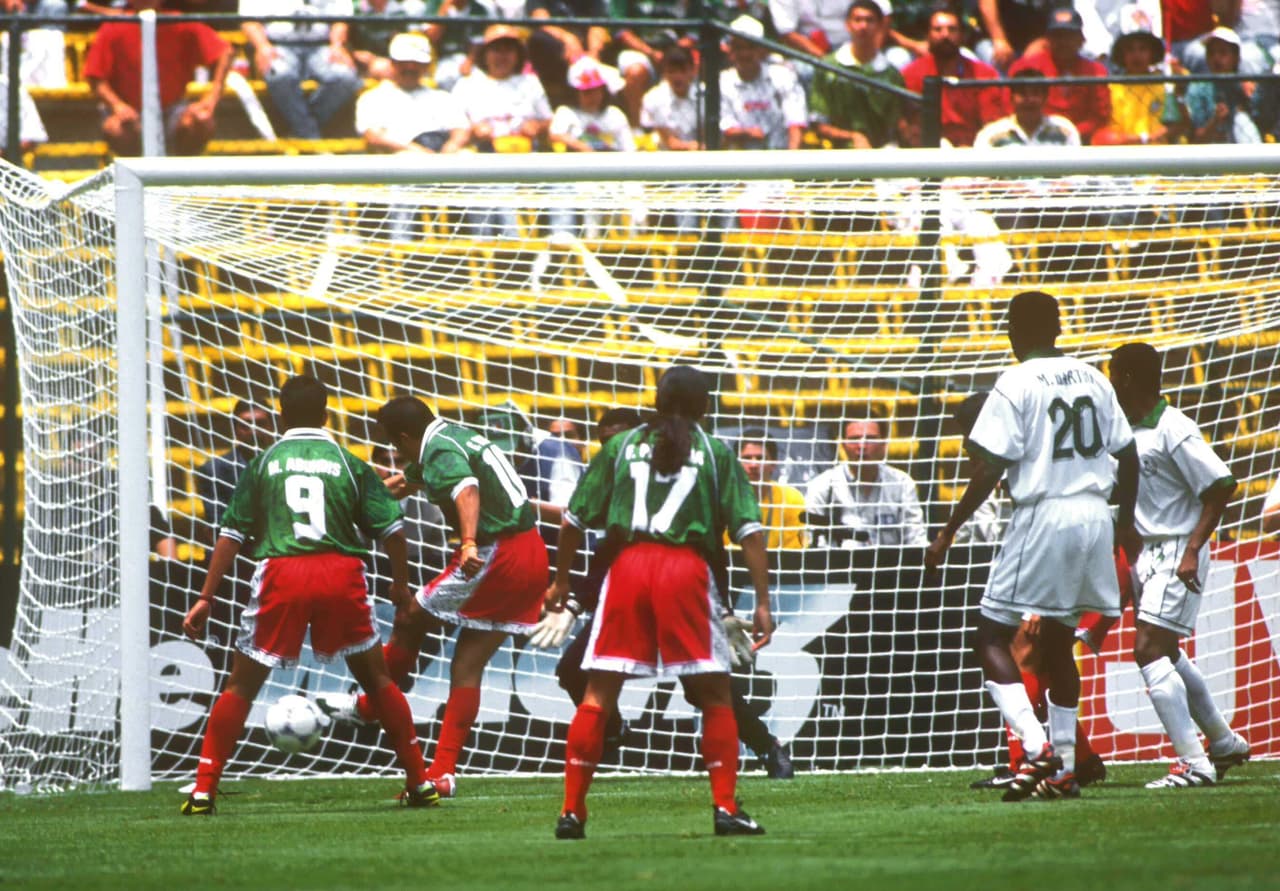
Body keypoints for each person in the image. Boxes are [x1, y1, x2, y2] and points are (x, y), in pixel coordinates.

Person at [179, 375, 436, 815]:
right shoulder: (348, 461)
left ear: (280, 416)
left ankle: (203, 790)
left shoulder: (263, 462)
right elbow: (394, 531)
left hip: (283, 572)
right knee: (377, 679)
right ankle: (420, 781)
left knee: (242, 684)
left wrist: (206, 596)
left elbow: (230, 536)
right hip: (341, 572)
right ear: (327, 415)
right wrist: (399, 585)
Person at [925, 290, 1139, 801]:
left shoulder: (1015, 381)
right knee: (1059, 643)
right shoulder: (1094, 377)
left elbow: (990, 466)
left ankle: (1037, 745)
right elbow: (1128, 457)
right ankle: (1064, 768)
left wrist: (949, 528)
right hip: (1095, 516)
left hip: (1044, 513)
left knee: (990, 636)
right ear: (1059, 328)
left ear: (1012, 331)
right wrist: (1125, 527)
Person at [544, 365, 775, 839]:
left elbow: (572, 520)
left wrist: (562, 581)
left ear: (656, 399)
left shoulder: (620, 446)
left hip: (627, 568)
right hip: (685, 571)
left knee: (598, 694)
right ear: (705, 406)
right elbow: (749, 532)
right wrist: (762, 601)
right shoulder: (715, 451)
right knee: (713, 695)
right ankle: (725, 808)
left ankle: (572, 812)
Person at [320, 395, 549, 800]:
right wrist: (355, 507)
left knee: (409, 617)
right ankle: (442, 772)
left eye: (394, 445)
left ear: (405, 437)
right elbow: (404, 483)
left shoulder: (440, 450)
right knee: (466, 664)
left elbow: (466, 489)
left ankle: (371, 706)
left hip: (498, 554)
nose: (396, 453)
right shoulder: (449, 436)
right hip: (530, 552)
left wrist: (469, 542)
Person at [1109, 341, 1251, 788]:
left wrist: (1192, 549)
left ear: (1128, 378)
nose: (1111, 381)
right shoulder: (1126, 429)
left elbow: (1221, 484)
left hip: (1176, 547)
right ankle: (1223, 742)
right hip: (1148, 551)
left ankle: (1194, 762)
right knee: (1166, 651)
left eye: (1114, 373)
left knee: (1147, 649)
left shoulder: (1174, 427)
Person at [82, 0, 233, 157]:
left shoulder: (178, 21)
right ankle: (136, 174)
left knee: (201, 121)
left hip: (172, 109)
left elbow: (225, 52)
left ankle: (183, 173)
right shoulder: (114, 26)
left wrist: (211, 99)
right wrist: (117, 105)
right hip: (131, 113)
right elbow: (94, 76)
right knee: (115, 128)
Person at [804, 407, 927, 549]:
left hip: (889, 569)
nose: (862, 446)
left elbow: (916, 541)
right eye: (854, 439)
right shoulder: (822, 486)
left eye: (870, 438)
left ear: (884, 444)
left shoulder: (902, 485)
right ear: (843, 445)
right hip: (838, 568)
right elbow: (813, 547)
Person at [239, 0, 362, 139]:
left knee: (345, 76)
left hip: (322, 45)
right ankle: (311, 138)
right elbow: (249, 21)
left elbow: (341, 18)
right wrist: (262, 46)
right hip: (277, 45)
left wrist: (337, 45)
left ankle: (302, 134)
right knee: (279, 75)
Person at [901, 6, 1006, 147]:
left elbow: (992, 123)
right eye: (938, 29)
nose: (945, 35)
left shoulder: (983, 74)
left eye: (952, 29)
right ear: (927, 35)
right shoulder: (911, 73)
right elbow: (911, 125)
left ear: (962, 35)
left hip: (976, 151)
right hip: (931, 150)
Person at [807, 0, 905, 149]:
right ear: (848, 24)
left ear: (880, 26)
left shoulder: (891, 75)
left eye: (869, 20)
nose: (863, 26)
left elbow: (896, 126)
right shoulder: (828, 68)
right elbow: (819, 124)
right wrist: (853, 138)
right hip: (834, 154)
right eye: (857, 20)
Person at [1009, 6, 1112, 145]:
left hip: (1083, 141)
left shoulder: (1096, 71)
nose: (1063, 42)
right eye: (1058, 35)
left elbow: (1100, 116)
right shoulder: (1025, 67)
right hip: (1034, 138)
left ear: (1081, 39)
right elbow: (1010, 108)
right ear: (1048, 39)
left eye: (1069, 36)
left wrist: (1069, 134)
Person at [355, 32, 471, 154]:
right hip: (399, 160)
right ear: (393, 63)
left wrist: (452, 146)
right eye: (404, 62)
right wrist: (414, 150)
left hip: (441, 155)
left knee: (466, 156)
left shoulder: (443, 98)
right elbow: (373, 136)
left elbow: (461, 130)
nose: (410, 68)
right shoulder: (372, 99)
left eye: (416, 63)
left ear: (426, 66)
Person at [452, 24, 552, 155]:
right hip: (482, 154)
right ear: (485, 54)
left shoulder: (530, 82)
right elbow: (455, 125)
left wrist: (537, 126)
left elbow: (548, 119)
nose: (502, 56)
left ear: (518, 55)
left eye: (508, 50)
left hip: (525, 152)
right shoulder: (467, 85)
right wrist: (473, 129)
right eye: (496, 50)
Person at [720, 15, 808, 150]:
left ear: (762, 49)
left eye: (750, 47)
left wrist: (790, 164)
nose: (745, 53)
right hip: (738, 162)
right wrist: (749, 133)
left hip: (780, 158)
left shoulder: (783, 76)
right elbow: (726, 128)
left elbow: (796, 123)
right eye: (739, 47)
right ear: (731, 49)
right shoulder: (723, 82)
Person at [1094, 25, 1183, 146]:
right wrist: (1141, 139)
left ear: (1152, 53)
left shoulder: (1165, 83)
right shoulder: (1112, 87)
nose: (1136, 55)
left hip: (1160, 150)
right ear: (1122, 54)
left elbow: (1178, 125)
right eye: (1130, 50)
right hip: (1124, 152)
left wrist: (1179, 77)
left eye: (1143, 49)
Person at [196, 399, 272, 541]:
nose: (253, 431)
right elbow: (219, 526)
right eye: (246, 425)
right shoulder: (214, 471)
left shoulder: (287, 463)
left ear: (271, 427)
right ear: (235, 430)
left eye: (260, 423)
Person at [1185, 27, 1265, 145]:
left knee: (1241, 119)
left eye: (1223, 53)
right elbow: (1196, 139)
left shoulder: (1247, 85)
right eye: (1211, 53)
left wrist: (1248, 98)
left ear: (1236, 58)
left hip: (1243, 144)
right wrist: (1215, 121)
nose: (1216, 58)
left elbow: (1264, 123)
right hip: (1209, 151)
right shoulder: (1197, 88)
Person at [973, 68, 1081, 148]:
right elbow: (979, 176)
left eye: (1035, 93)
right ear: (1011, 98)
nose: (1029, 100)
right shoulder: (991, 134)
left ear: (1045, 97)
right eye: (1022, 93)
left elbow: (1077, 175)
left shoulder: (1065, 130)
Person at [738, 429, 808, 550]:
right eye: (747, 458)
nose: (753, 465)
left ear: (773, 464)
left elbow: (795, 553)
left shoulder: (791, 500)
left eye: (760, 458)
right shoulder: (723, 500)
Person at [639, 45, 704, 151]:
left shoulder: (704, 94)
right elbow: (669, 142)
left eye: (682, 71)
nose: (677, 77)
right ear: (664, 73)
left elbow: (706, 135)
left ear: (693, 70)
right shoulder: (653, 98)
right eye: (672, 71)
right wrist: (692, 147)